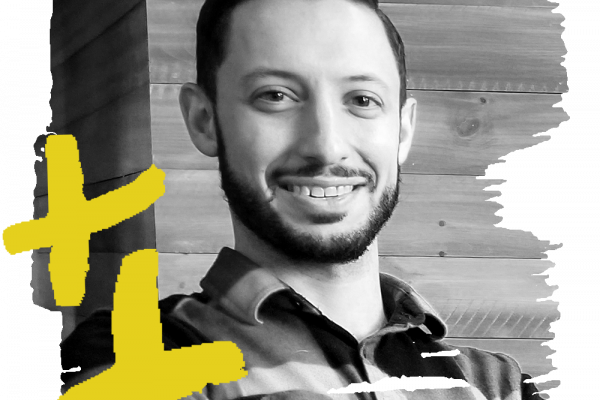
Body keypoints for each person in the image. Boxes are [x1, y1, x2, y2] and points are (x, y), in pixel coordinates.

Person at [60, 0, 543, 399]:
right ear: (205, 121)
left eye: (362, 100)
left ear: (402, 130)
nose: (326, 146)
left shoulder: (499, 385)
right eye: (275, 96)